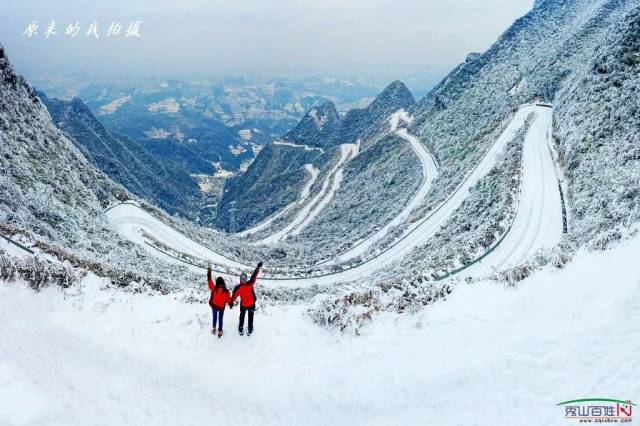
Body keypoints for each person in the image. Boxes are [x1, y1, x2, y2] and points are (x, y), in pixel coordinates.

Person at [231, 261, 263, 336]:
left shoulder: (238, 288)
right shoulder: (250, 283)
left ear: (240, 279)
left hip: (243, 305)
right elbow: (254, 275)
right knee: (250, 316)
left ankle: (241, 328)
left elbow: (233, 297)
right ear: (246, 279)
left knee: (242, 315)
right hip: (252, 304)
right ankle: (250, 329)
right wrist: (257, 267)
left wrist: (230, 302)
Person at [207, 266, 233, 338]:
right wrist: (231, 304)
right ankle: (220, 330)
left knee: (214, 317)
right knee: (220, 319)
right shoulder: (226, 291)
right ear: (223, 283)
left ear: (217, 283)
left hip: (214, 306)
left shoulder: (214, 288)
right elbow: (229, 300)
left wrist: (209, 273)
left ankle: (214, 328)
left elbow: (209, 282)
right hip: (221, 308)